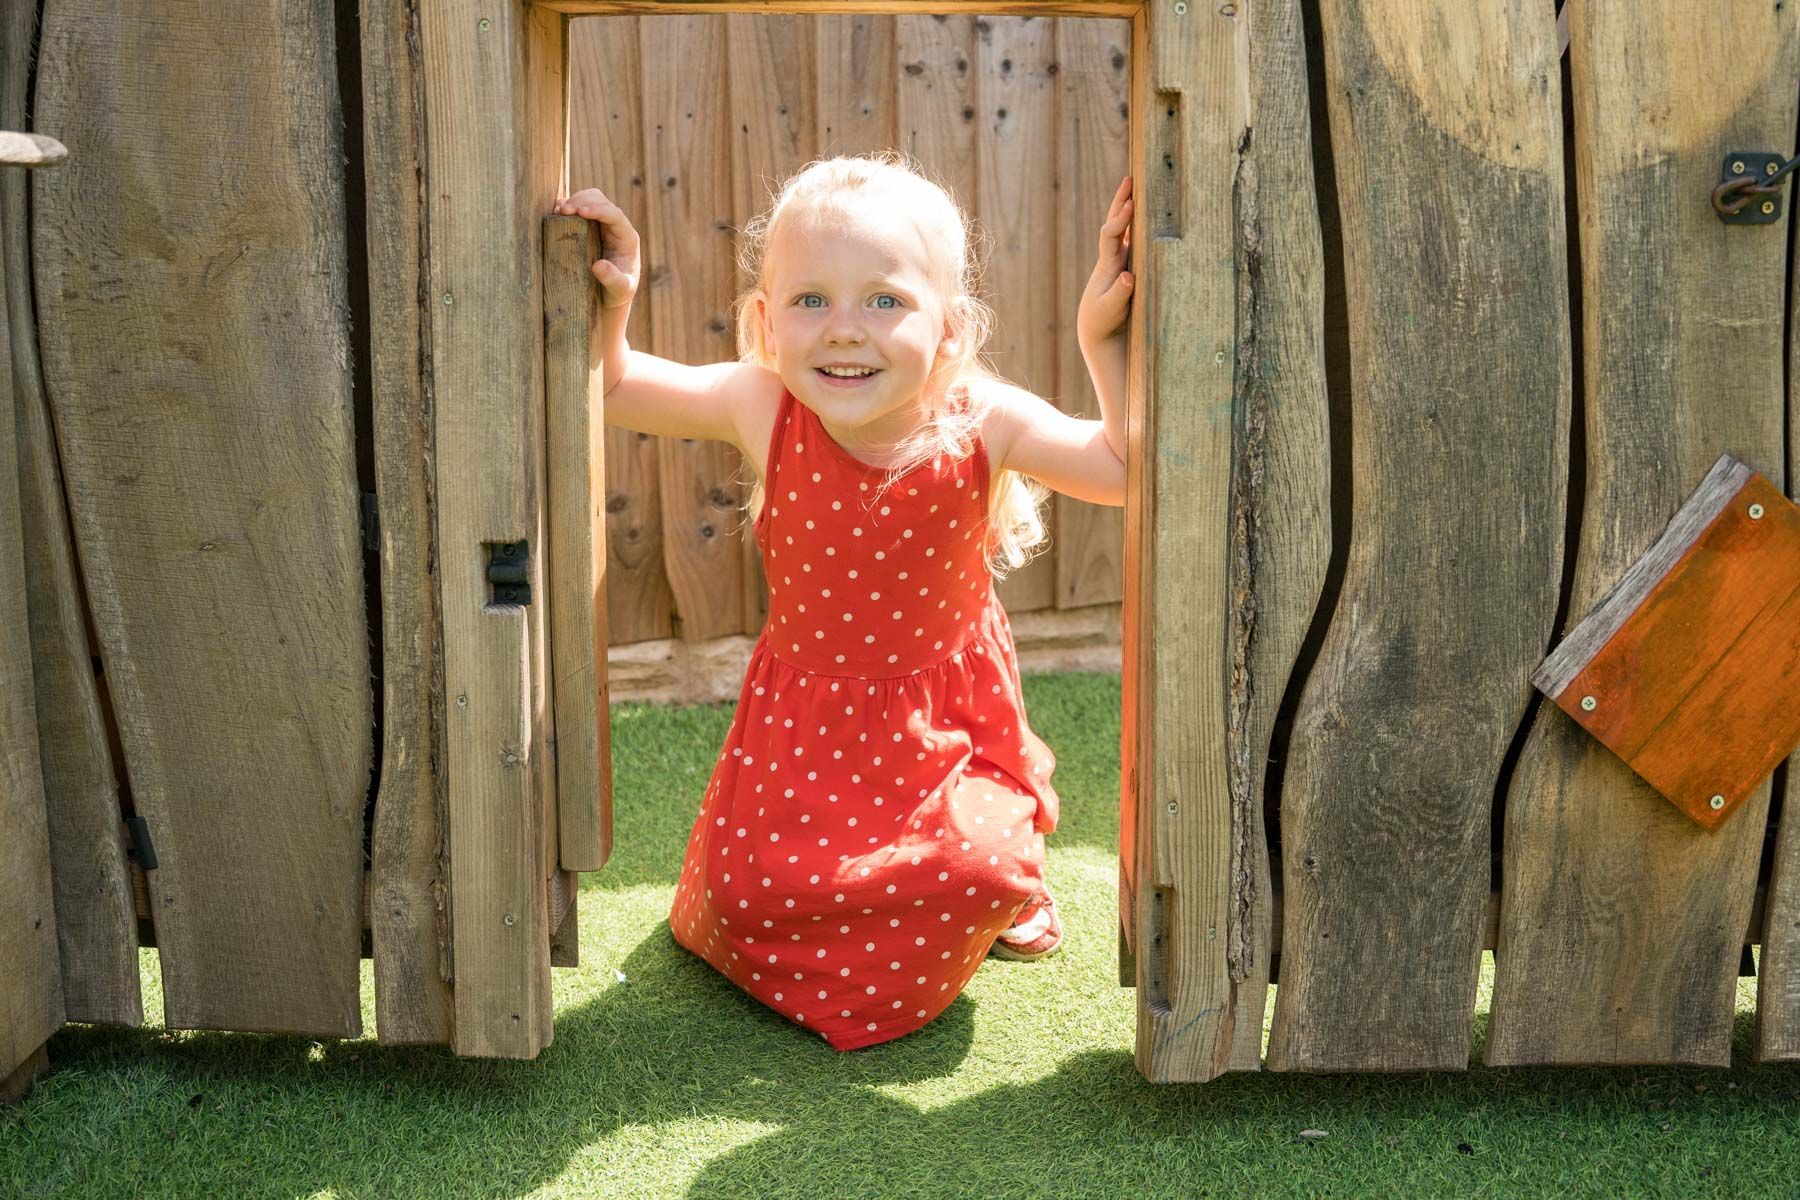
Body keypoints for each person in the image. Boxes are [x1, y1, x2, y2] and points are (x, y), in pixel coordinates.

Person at [553, 152, 1132, 1050]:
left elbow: (1125, 471)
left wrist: (1103, 342)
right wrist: (616, 296)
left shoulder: (985, 419)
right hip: (805, 737)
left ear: (948, 326)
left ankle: (1005, 881)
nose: (845, 331)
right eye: (811, 300)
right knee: (738, 901)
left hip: (944, 735)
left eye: (885, 300)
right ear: (766, 322)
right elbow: (618, 384)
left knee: (980, 871)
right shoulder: (762, 403)